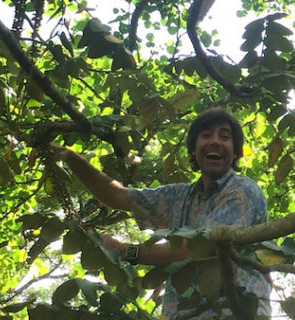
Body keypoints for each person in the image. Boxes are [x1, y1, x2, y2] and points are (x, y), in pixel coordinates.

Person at [48, 107, 271, 319]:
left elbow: (199, 248)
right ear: (194, 149)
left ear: (235, 153)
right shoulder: (178, 197)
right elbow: (115, 195)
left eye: (225, 136)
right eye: (205, 135)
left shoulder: (242, 190)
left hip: (233, 314)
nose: (215, 141)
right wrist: (70, 157)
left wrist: (125, 250)